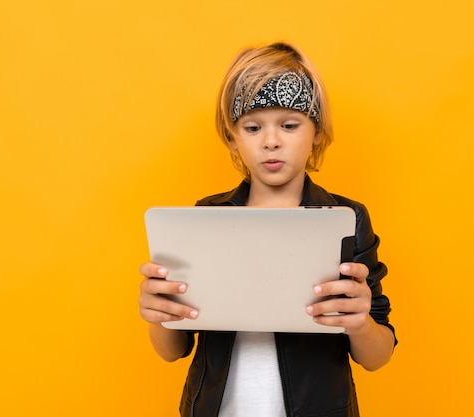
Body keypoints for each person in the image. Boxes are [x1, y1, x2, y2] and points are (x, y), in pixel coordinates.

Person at [138, 41, 396, 417]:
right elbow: (172, 349)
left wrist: (360, 323)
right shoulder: (206, 217)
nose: (271, 141)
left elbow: (378, 356)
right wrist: (159, 311)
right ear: (232, 138)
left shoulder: (346, 218)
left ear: (317, 132)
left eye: (289, 125)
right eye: (253, 127)